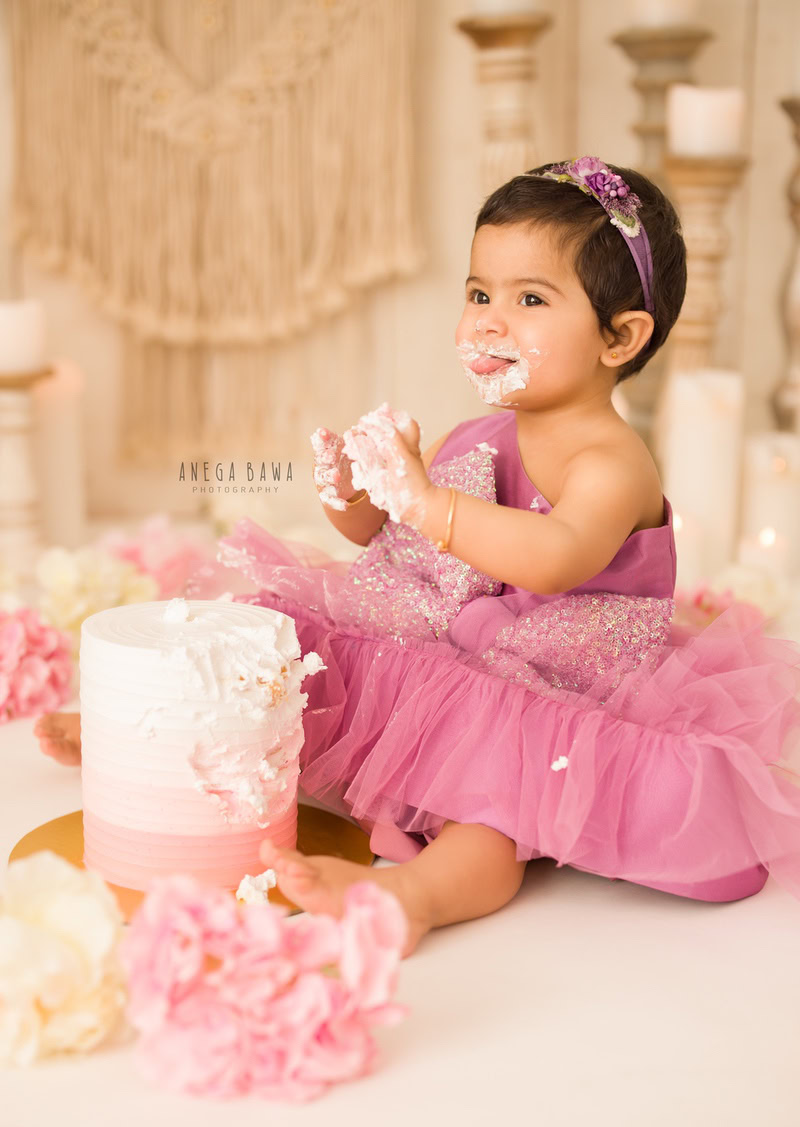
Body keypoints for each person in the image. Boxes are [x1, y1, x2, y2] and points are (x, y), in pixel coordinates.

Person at [35, 157, 800, 960]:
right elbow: (399, 549)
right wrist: (360, 497)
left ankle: (415, 896)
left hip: (560, 688)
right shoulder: (478, 437)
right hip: (442, 651)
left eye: (530, 299)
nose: (488, 321)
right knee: (288, 653)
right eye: (479, 294)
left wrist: (428, 501)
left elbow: (554, 557)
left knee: (494, 812)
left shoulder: (611, 463)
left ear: (620, 336)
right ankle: (169, 740)